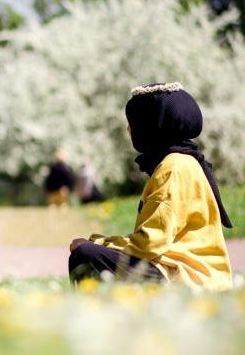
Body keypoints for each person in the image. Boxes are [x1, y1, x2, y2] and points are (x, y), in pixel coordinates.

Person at [68, 82, 233, 291]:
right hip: (195, 274)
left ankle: (96, 321)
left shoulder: (172, 167)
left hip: (187, 279)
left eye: (134, 123)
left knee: (85, 255)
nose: (129, 130)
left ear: (152, 126)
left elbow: (150, 243)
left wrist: (97, 245)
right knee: (91, 251)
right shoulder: (183, 162)